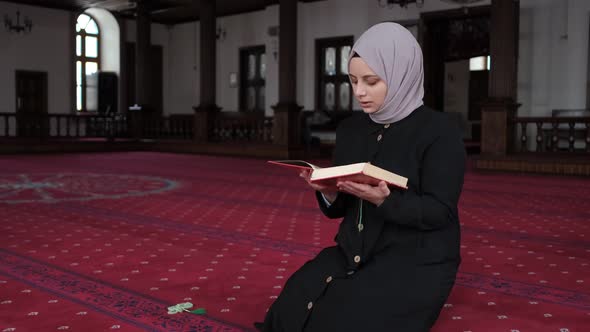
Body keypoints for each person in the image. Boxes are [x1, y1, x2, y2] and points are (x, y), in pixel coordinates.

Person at [260, 22, 466, 332]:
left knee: (344, 318)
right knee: (292, 304)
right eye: (353, 80)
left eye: (371, 81)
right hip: (353, 252)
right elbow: (343, 207)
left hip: (414, 261)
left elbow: (440, 211)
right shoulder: (351, 130)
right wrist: (327, 192)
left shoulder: (440, 132)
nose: (359, 92)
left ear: (401, 76)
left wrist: (385, 201)